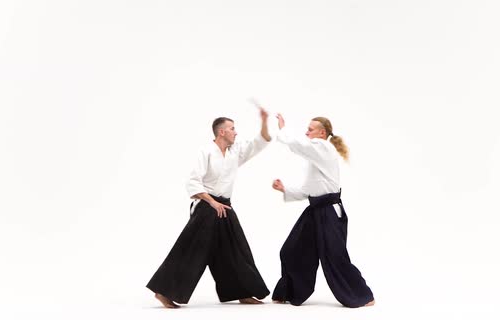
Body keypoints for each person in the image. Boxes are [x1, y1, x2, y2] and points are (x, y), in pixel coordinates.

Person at [146, 109, 272, 308]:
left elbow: (261, 141)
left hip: (225, 206)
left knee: (236, 248)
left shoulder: (235, 152)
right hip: (206, 206)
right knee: (191, 249)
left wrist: (264, 121)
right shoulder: (206, 152)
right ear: (221, 132)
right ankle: (163, 292)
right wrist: (212, 203)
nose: (235, 132)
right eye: (232, 129)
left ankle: (243, 291)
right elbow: (193, 182)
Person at [270, 113, 375, 308]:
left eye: (310, 129)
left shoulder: (323, 147)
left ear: (322, 133)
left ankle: (362, 295)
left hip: (328, 212)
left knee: (335, 256)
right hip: (315, 211)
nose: (306, 132)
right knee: (291, 250)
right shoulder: (316, 156)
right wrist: (285, 189)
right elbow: (309, 190)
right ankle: (289, 292)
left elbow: (299, 146)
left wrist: (283, 129)